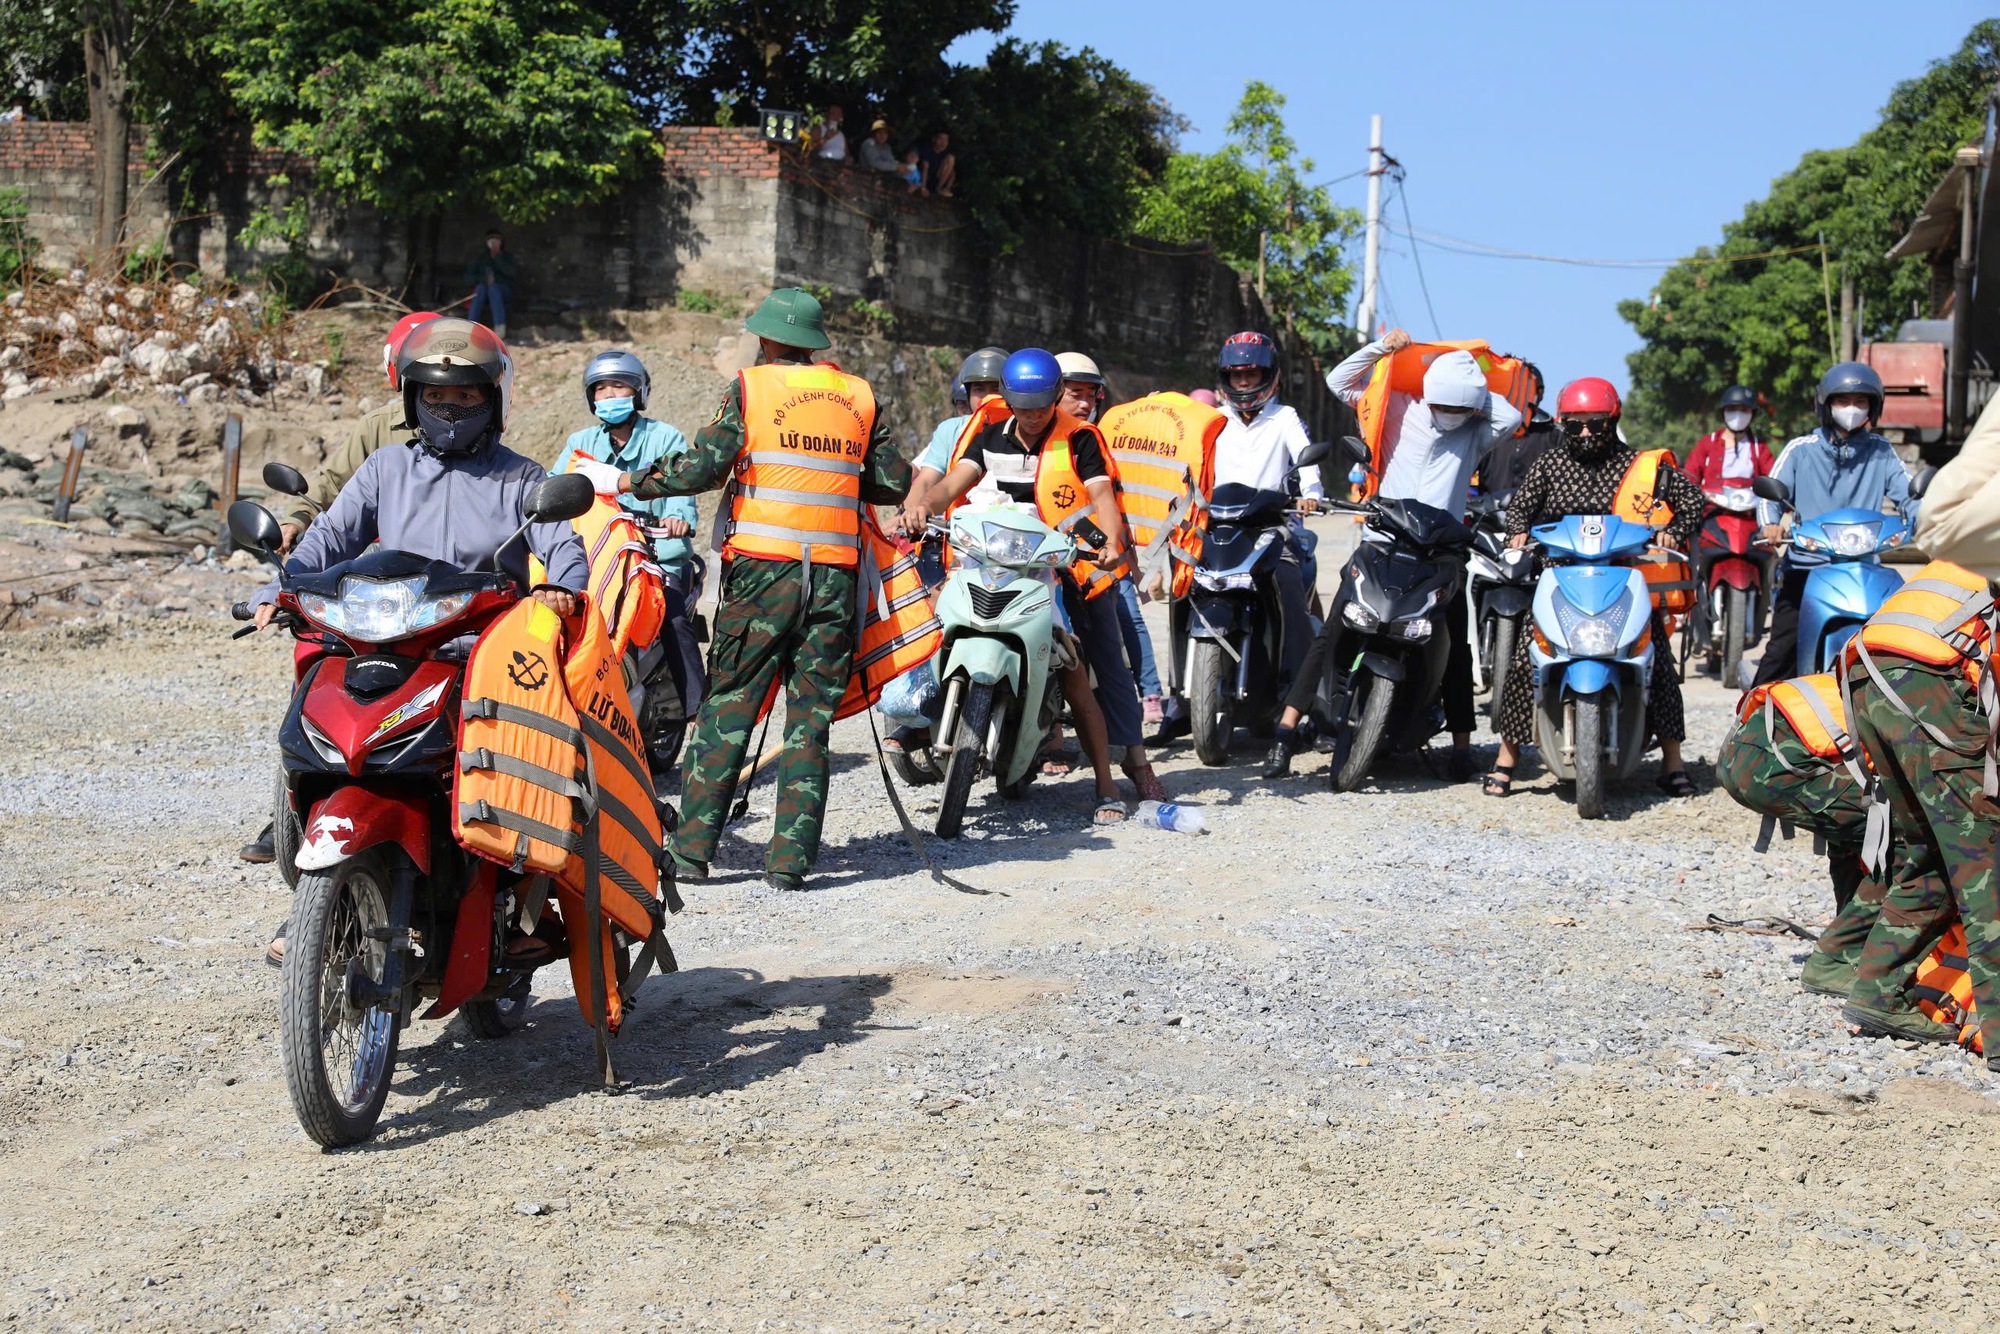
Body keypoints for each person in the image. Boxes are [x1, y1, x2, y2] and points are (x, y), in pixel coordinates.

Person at [251, 319, 589, 961]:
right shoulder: (384, 467)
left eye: (466, 397)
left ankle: (520, 899)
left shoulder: (519, 478)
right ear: (413, 401)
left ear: (492, 401)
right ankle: (315, 892)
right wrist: (281, 588)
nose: (451, 409)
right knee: (322, 726)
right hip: (386, 644)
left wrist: (560, 588)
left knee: (518, 762)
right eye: (437, 397)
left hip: (474, 653)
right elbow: (330, 536)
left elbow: (562, 547)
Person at [574, 289, 911, 891]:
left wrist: (624, 480)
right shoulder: (859, 396)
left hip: (762, 574)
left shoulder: (751, 388)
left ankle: (692, 854)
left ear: (768, 340)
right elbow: (892, 482)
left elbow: (703, 468)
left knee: (730, 703)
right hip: (832, 578)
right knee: (809, 723)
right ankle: (789, 865)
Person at [908, 348, 1169, 822]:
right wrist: (924, 504)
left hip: (1076, 566)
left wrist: (1111, 540)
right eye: (1020, 406)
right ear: (1007, 399)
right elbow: (954, 481)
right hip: (1010, 562)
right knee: (934, 624)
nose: (1030, 417)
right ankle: (916, 725)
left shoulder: (1080, 439)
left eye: (1040, 407)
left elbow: (1101, 495)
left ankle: (1120, 774)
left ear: (1054, 398)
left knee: (1087, 666)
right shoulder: (989, 435)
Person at [1268, 328, 1521, 781]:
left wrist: (1465, 374)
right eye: (1444, 404)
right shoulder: (1397, 408)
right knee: (1331, 632)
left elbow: (1510, 414)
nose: (1450, 415)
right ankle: (1285, 732)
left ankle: (1461, 747)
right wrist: (1383, 352)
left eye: (1460, 408)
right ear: (1428, 395)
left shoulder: (1474, 432)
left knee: (1456, 645)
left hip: (1442, 552)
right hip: (1384, 541)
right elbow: (1340, 383)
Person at [239, 309, 440, 865]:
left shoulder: (479, 436)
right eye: (427, 378)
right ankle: (300, 805)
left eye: (463, 387)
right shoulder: (379, 432)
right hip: (368, 592)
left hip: (437, 598)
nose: (449, 399)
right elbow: (332, 494)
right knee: (320, 677)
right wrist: (297, 524)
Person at [1485, 377, 1704, 797]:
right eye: (1575, 425)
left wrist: (1673, 531)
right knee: (1523, 662)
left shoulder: (1642, 467)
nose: (1585, 433)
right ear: (1563, 424)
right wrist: (1516, 532)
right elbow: (1520, 510)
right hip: (1561, 578)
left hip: (1623, 579)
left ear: (1612, 421)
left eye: (1596, 424)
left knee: (1656, 660)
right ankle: (1507, 757)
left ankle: (1672, 761)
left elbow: (1692, 499)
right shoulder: (1549, 465)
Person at [558, 349, 706, 779]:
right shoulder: (580, 444)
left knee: (672, 618)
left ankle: (700, 717)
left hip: (658, 557)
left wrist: (679, 517)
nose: (610, 395)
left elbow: (682, 483)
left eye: (619, 386)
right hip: (602, 558)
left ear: (638, 392)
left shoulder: (665, 439)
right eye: (601, 388)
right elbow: (560, 483)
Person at [1748, 362, 1917, 688]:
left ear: (1873, 406)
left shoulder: (1882, 452)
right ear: (1825, 405)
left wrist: (1930, 519)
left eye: (1860, 401)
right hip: (1807, 567)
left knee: (1902, 645)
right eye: (1842, 401)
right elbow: (1770, 495)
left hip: (1866, 568)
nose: (1851, 409)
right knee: (1780, 651)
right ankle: (1750, 728)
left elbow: (1910, 494)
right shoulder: (1801, 450)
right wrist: (1771, 526)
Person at [274, 311, 440, 553]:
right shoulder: (377, 427)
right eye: (418, 364)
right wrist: (298, 518)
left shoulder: (476, 430)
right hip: (385, 557)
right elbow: (333, 482)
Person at [1057, 352, 1164, 725]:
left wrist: (1114, 545)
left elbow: (1110, 498)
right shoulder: (1035, 434)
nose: (1085, 403)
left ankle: (1148, 695)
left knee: (1125, 614)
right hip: (1044, 540)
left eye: (1091, 394)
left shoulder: (1096, 436)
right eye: (1075, 394)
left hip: (1092, 533)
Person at [1477, 362, 1556, 496]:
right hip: (1488, 513)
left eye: (1523, 388)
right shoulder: (1486, 429)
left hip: (1539, 514)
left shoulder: (1553, 434)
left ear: (1539, 392)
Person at [1684, 384, 1775, 492]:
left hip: (1750, 507)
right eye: (1732, 409)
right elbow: (1689, 478)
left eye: (1744, 410)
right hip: (1712, 507)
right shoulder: (1707, 443)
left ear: (1752, 414)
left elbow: (1773, 480)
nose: (1738, 415)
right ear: (1723, 412)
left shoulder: (1759, 448)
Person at [466, 230, 518, 339]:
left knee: (493, 289)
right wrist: (484, 279)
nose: (494, 242)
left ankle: (499, 327)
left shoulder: (507, 256)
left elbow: (512, 274)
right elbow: (469, 278)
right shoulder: (481, 258)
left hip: (503, 290)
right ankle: (470, 325)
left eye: (497, 239)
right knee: (480, 288)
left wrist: (498, 258)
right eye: (491, 239)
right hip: (484, 291)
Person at [918, 131, 957, 197]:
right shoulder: (928, 149)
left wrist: (947, 187)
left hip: (936, 181)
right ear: (934, 139)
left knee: (951, 159)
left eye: (945, 140)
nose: (943, 142)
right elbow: (925, 168)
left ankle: (938, 189)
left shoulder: (946, 154)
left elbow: (952, 173)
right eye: (941, 139)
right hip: (923, 179)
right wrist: (923, 187)